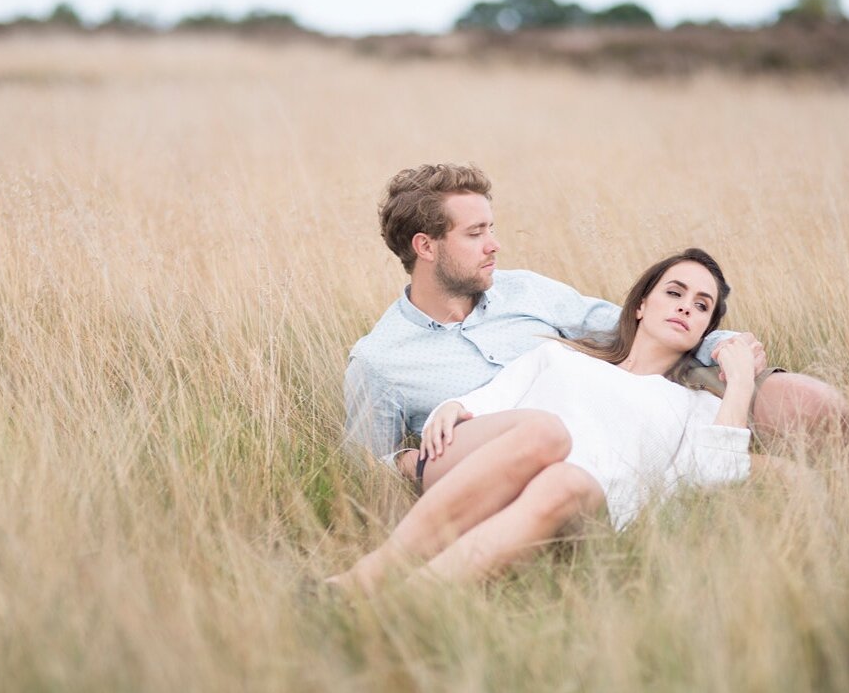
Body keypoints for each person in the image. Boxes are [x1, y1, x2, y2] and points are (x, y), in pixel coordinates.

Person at [343, 163, 848, 493]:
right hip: (558, 469)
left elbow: (616, 321)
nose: (495, 244)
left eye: (492, 228)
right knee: (777, 481)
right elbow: (373, 466)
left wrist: (717, 345)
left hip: (634, 390)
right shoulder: (381, 361)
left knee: (810, 404)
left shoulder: (525, 290)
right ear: (425, 247)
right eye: (476, 234)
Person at [328, 248, 787, 592]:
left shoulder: (693, 405)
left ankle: (402, 603)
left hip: (594, 512)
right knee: (546, 435)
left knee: (565, 478)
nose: (687, 306)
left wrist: (742, 379)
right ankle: (366, 579)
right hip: (509, 481)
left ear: (707, 330)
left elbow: (718, 476)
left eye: (702, 305)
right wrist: (451, 405)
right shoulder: (557, 357)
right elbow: (483, 407)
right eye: (674, 292)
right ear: (642, 305)